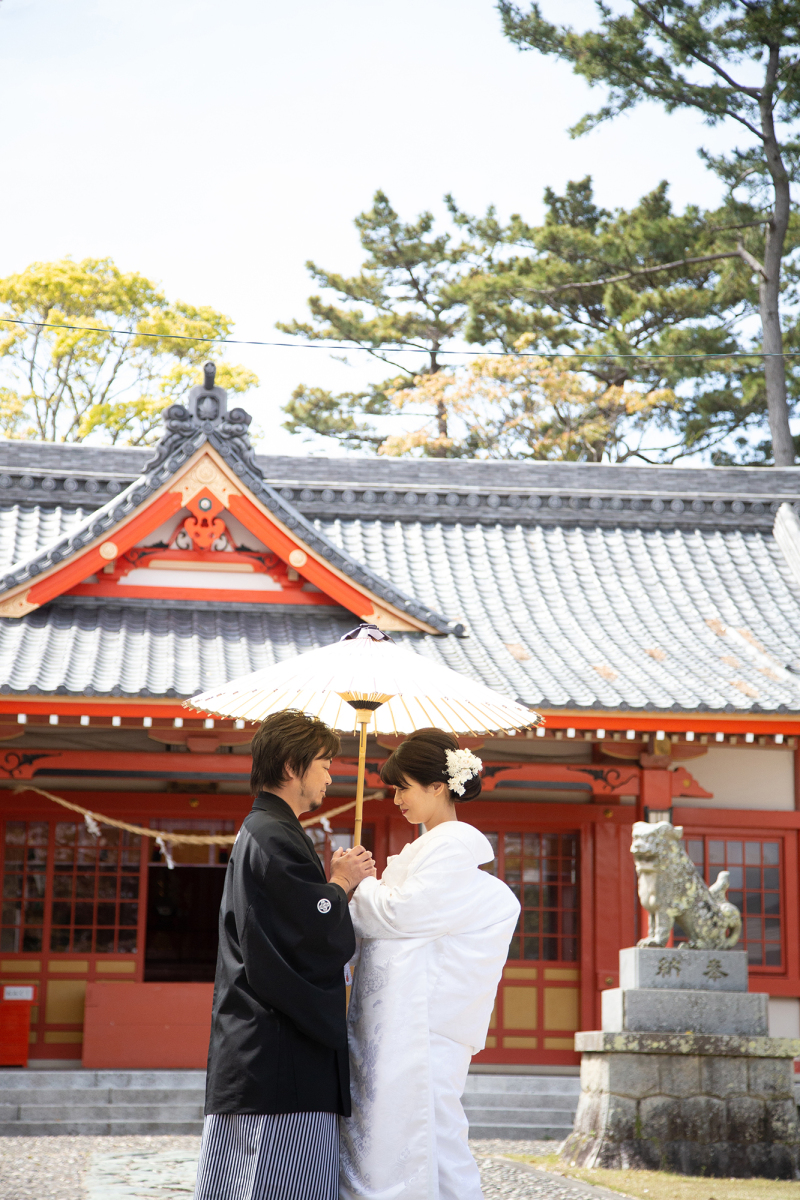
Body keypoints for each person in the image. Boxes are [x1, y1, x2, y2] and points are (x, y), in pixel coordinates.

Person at [194, 709, 375, 1200]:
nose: (330, 774)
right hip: (278, 1054)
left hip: (259, 1049)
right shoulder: (273, 835)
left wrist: (330, 885)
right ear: (293, 767)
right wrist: (340, 883)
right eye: (323, 762)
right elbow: (311, 931)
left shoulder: (266, 829)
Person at [339, 728, 520, 1200]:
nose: (396, 798)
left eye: (403, 787)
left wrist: (362, 887)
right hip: (408, 1015)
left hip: (424, 1019)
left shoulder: (453, 844)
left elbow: (404, 914)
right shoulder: (430, 846)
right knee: (404, 1126)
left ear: (437, 787)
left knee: (432, 1129)